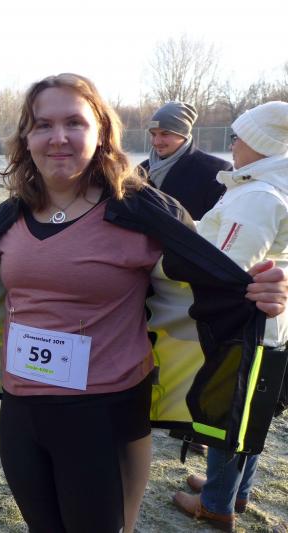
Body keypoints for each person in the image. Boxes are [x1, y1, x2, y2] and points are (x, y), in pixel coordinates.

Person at [0, 73, 288, 533]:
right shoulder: (10, 214)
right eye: (43, 125)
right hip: (21, 414)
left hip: (105, 414)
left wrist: (262, 293)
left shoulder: (142, 210)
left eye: (74, 123)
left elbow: (211, 279)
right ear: (26, 137)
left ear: (102, 132)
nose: (58, 137)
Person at [172, 100, 288, 531]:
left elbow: (227, 266)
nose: (233, 143)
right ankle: (234, 491)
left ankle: (216, 504)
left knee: (228, 412)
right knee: (249, 413)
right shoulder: (261, 185)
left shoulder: (257, 196)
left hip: (244, 326)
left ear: (261, 143)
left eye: (239, 136)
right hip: (266, 326)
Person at [138, 101, 231, 220]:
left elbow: (217, 223)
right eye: (153, 134)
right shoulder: (141, 170)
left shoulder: (215, 172)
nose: (156, 141)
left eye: (165, 134)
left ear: (183, 134)